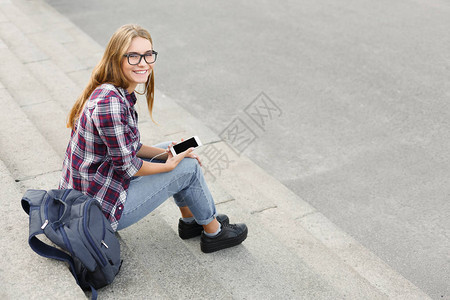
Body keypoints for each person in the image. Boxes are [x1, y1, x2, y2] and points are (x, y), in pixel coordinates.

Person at [59, 24, 247, 253]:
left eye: (148, 54)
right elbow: (128, 167)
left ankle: (191, 222)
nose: (143, 63)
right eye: (133, 56)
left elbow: (129, 148)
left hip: (95, 188)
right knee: (187, 167)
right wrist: (169, 165)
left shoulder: (112, 91)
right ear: (117, 58)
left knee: (174, 153)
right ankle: (214, 233)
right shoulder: (110, 105)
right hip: (99, 210)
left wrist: (166, 155)